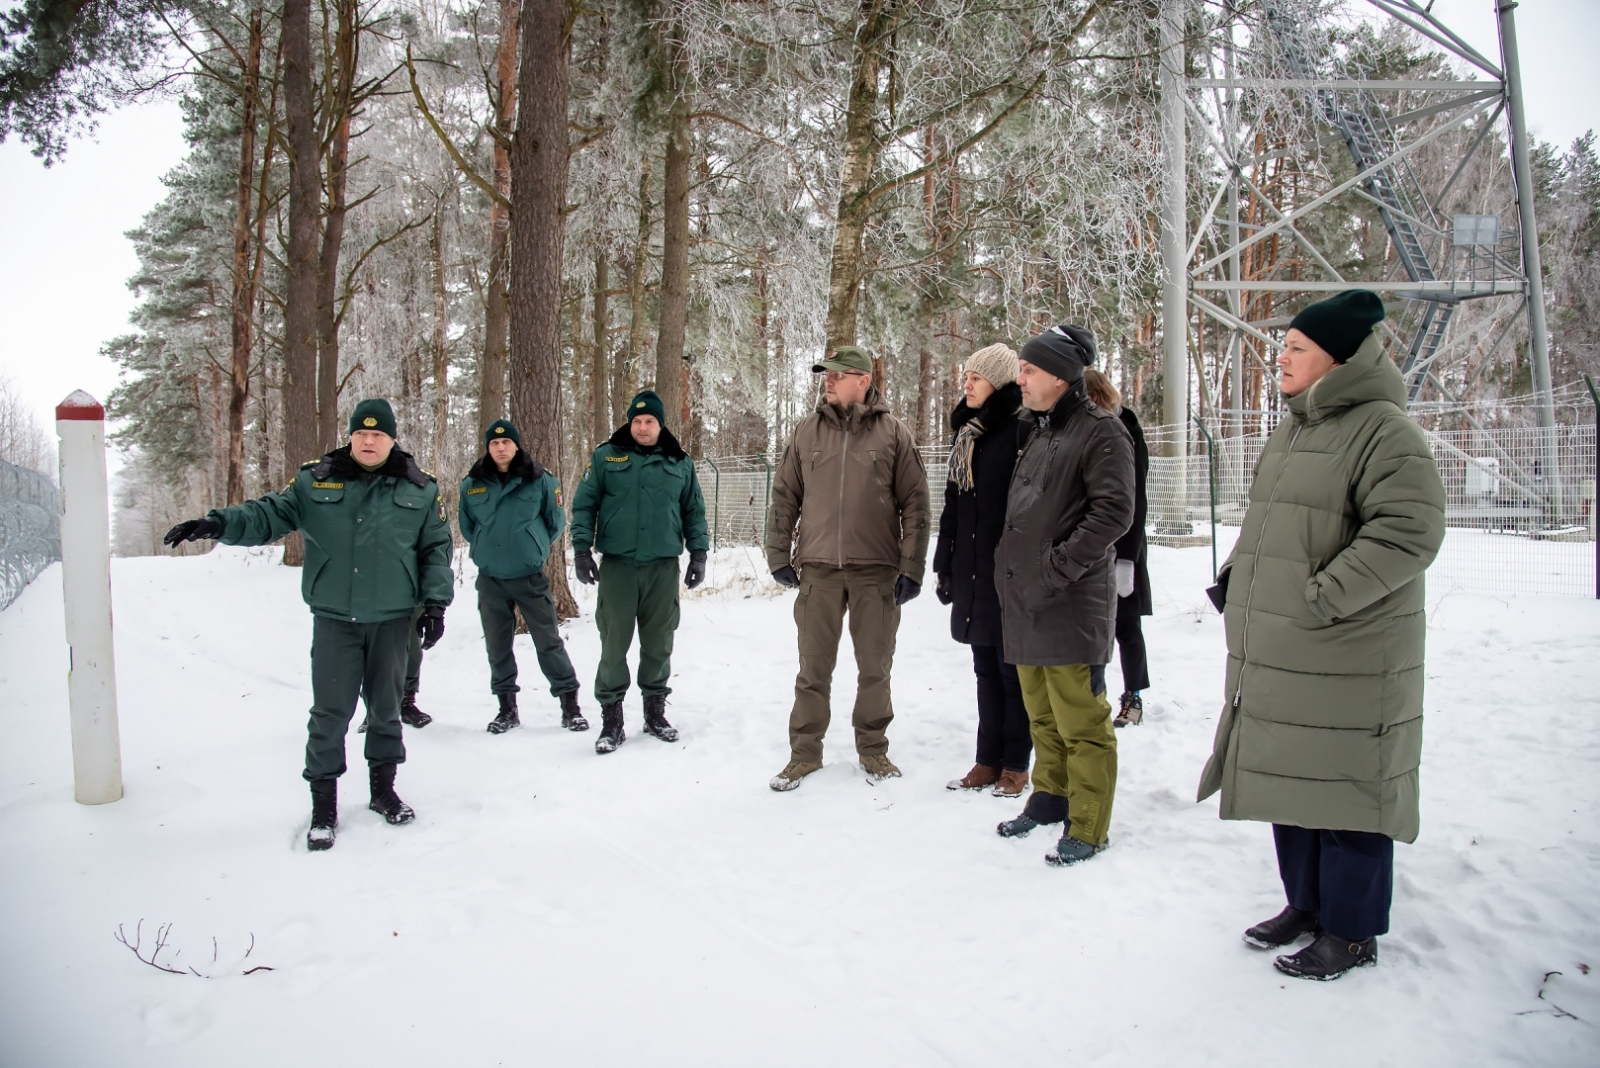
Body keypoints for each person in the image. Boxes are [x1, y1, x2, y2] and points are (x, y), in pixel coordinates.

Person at [1197, 289, 1445, 981]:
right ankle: (1305, 906)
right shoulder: (1297, 428)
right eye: (1285, 346)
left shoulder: (1384, 431)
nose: (1282, 357)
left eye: (1297, 348)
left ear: (1337, 359)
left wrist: (1323, 597)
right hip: (1288, 651)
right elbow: (1275, 525)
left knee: (1347, 794)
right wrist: (1239, 573)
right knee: (1292, 784)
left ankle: (1353, 931)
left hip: (1348, 655)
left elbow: (1409, 532)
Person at [162, 398, 453, 852]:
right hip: (336, 620)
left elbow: (435, 548)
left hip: (392, 620)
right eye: (361, 433)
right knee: (330, 714)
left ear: (393, 438)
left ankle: (382, 791)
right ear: (351, 436)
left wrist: (436, 603)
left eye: (378, 434)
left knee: (386, 710)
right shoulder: (316, 480)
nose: (369, 440)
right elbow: (266, 515)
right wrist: (214, 524)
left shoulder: (420, 489)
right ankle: (324, 805)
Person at [992, 325, 1133, 866]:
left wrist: (1057, 567)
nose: (1020, 379)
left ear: (1059, 375)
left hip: (1068, 599)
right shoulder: (1040, 428)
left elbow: (1112, 514)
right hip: (1027, 595)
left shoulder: (1101, 431)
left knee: (1082, 720)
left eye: (1027, 370)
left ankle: (1089, 823)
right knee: (1042, 714)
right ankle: (1050, 798)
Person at [764, 345, 931, 791]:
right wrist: (779, 554)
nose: (828, 381)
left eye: (837, 374)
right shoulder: (806, 432)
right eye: (825, 374)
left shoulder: (893, 433)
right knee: (812, 668)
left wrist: (911, 566)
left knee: (874, 667)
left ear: (862, 379)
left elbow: (915, 502)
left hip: (876, 571)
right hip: (818, 569)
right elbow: (784, 497)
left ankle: (873, 749)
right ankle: (804, 754)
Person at [570, 390, 708, 754]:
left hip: (662, 567)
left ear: (661, 425)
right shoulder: (605, 456)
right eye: (637, 421)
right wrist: (582, 550)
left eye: (650, 421)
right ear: (629, 423)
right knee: (614, 642)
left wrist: (699, 555)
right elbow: (584, 505)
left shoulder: (680, 462)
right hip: (618, 566)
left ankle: (655, 713)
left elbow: (694, 511)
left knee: (659, 642)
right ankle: (612, 720)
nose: (643, 427)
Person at [932, 344, 1033, 797]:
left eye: (975, 377)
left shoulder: (1021, 430)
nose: (966, 384)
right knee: (984, 670)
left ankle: (1016, 764)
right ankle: (987, 760)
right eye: (966, 377)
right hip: (971, 568)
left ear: (999, 380)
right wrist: (944, 563)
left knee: (1011, 672)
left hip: (1007, 571)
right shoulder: (967, 434)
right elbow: (954, 504)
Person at [459, 418, 587, 735]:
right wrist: (486, 548)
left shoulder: (540, 480)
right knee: (498, 647)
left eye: (506, 442)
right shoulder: (472, 484)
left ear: (516, 446)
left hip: (529, 576)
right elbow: (467, 527)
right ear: (488, 448)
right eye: (494, 443)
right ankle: (507, 710)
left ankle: (570, 707)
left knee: (549, 643)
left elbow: (555, 522)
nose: (501, 447)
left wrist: (534, 545)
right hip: (491, 580)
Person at [1082, 368, 1152, 727]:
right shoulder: (1085, 431)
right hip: (1091, 551)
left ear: (1094, 396)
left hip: (1124, 549)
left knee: (1126, 625)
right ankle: (1095, 695)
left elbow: (1134, 502)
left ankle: (1133, 696)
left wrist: (1126, 558)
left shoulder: (1126, 431)